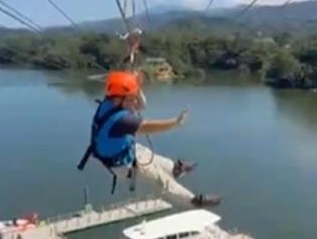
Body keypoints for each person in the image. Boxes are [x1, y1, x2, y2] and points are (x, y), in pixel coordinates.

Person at [77, 71, 222, 207]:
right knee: (161, 179)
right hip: (122, 164)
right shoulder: (120, 120)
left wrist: (136, 86)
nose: (135, 102)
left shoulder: (108, 103)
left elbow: (141, 105)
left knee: (154, 157)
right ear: (120, 99)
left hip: (124, 150)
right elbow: (148, 126)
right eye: (132, 99)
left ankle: (175, 169)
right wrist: (174, 123)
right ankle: (193, 201)